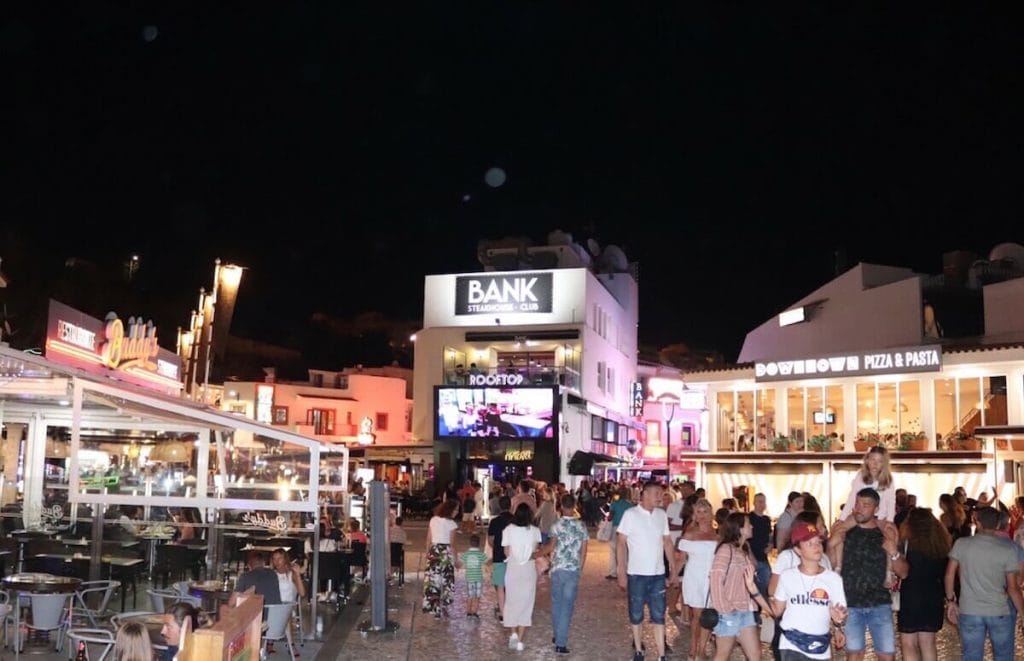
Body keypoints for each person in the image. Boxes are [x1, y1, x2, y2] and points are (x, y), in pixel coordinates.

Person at [827, 487, 898, 661]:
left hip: (879, 602)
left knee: (887, 654)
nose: (859, 508)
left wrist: (894, 554)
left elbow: (903, 570)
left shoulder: (885, 532)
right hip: (851, 602)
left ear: (876, 509)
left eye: (866, 505)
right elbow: (829, 565)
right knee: (854, 653)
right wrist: (830, 545)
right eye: (857, 503)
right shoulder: (844, 531)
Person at [945, 506, 1024, 661]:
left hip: (969, 610)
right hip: (999, 610)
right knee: (1003, 656)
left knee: (971, 656)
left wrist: (951, 601)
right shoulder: (1008, 550)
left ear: (977, 523)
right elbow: (1013, 588)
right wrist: (1023, 613)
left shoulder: (961, 544)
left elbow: (949, 574)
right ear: (997, 525)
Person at [767, 520, 848, 661]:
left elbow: (840, 614)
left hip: (821, 645)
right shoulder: (787, 576)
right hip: (792, 645)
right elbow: (777, 610)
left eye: (818, 542)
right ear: (798, 550)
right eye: (810, 544)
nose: (816, 546)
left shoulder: (833, 579)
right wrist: (755, 591)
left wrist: (838, 623)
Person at [616, 481, 678, 661]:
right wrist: (621, 570)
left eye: (661, 492)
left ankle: (661, 654)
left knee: (659, 614)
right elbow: (621, 542)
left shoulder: (661, 515)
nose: (660, 496)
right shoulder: (630, 515)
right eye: (657, 493)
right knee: (636, 613)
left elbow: (667, 542)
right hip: (636, 574)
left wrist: (673, 568)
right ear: (645, 494)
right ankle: (638, 649)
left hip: (657, 574)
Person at [891, 507, 951, 661]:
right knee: (928, 642)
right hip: (933, 596)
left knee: (908, 642)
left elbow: (901, 571)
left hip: (911, 596)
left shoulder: (906, 544)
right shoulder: (940, 545)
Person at [708, 512, 761, 661]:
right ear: (740, 528)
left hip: (745, 610)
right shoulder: (726, 550)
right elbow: (715, 578)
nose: (751, 526)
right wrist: (725, 609)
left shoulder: (742, 550)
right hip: (729, 611)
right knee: (723, 654)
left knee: (755, 654)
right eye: (748, 523)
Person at [833, 446, 896, 570]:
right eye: (873, 460)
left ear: (884, 464)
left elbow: (891, 500)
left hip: (880, 516)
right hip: (860, 514)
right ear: (867, 460)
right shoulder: (861, 476)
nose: (875, 464)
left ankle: (889, 570)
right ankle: (838, 565)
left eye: (879, 461)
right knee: (839, 530)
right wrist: (842, 518)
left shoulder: (888, 479)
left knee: (891, 535)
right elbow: (852, 497)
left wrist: (890, 520)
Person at [544, 493, 588, 655]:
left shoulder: (556, 525)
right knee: (567, 606)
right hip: (572, 569)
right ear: (575, 505)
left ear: (561, 506)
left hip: (557, 569)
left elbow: (551, 547)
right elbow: (584, 550)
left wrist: (540, 555)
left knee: (557, 604)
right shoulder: (581, 526)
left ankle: (557, 635)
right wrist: (580, 568)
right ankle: (561, 643)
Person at [676, 498, 717, 661]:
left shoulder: (717, 534)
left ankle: (702, 648)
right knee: (697, 615)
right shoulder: (690, 533)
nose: (701, 515)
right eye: (698, 512)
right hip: (694, 576)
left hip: (711, 577)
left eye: (705, 511)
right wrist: (673, 577)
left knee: (708, 614)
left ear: (710, 513)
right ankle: (694, 646)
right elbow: (681, 559)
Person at [502, 502, 542, 652]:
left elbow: (506, 551)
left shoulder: (508, 530)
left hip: (512, 568)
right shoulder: (535, 531)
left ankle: (512, 633)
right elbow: (536, 550)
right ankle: (519, 639)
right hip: (528, 570)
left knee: (511, 600)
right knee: (527, 602)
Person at [422, 499, 459, 618]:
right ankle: (444, 605)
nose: (457, 512)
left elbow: (428, 539)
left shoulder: (433, 520)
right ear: (450, 510)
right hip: (446, 552)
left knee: (434, 580)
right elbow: (453, 544)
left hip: (434, 550)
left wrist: (427, 554)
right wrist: (456, 559)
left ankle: (435, 607)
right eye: (456, 510)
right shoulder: (452, 524)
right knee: (446, 581)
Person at [487, 495, 514, 619]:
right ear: (511, 506)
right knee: (512, 583)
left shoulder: (494, 522)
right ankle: (511, 605)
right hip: (513, 557)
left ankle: (502, 609)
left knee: (499, 584)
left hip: (498, 555)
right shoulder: (515, 520)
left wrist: (496, 547)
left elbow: (490, 540)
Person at [605, 487, 635, 580]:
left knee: (613, 550)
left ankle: (613, 572)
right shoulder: (631, 505)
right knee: (625, 550)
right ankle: (625, 571)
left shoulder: (614, 504)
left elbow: (610, 517)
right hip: (627, 529)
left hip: (616, 528)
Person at [749, 492, 773, 596]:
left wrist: (771, 544)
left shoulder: (766, 519)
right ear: (754, 503)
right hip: (751, 557)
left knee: (765, 585)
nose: (762, 504)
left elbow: (770, 535)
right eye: (760, 501)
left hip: (763, 557)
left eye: (763, 502)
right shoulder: (749, 518)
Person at [459, 533, 488, 618]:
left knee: (470, 596)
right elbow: (487, 563)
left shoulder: (466, 554)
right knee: (477, 596)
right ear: (479, 544)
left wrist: (456, 565)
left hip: (469, 578)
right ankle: (475, 612)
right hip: (478, 578)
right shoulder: (481, 554)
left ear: (470, 543)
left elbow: (460, 563)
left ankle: (468, 612)